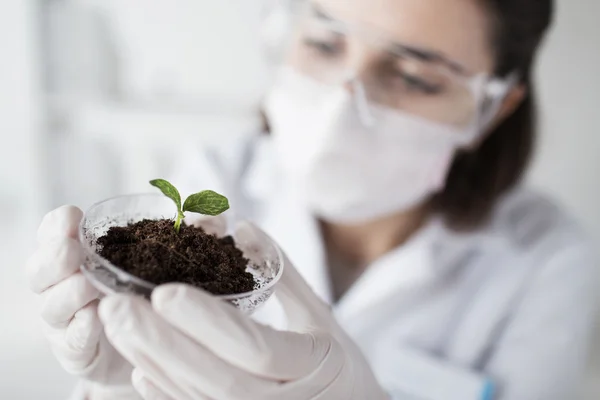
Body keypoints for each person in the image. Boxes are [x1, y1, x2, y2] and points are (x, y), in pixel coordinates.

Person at [26, 0, 599, 399]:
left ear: (494, 108)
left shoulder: (547, 262)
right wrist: (123, 382)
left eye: (415, 78)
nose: (340, 108)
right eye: (325, 43)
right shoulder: (218, 178)